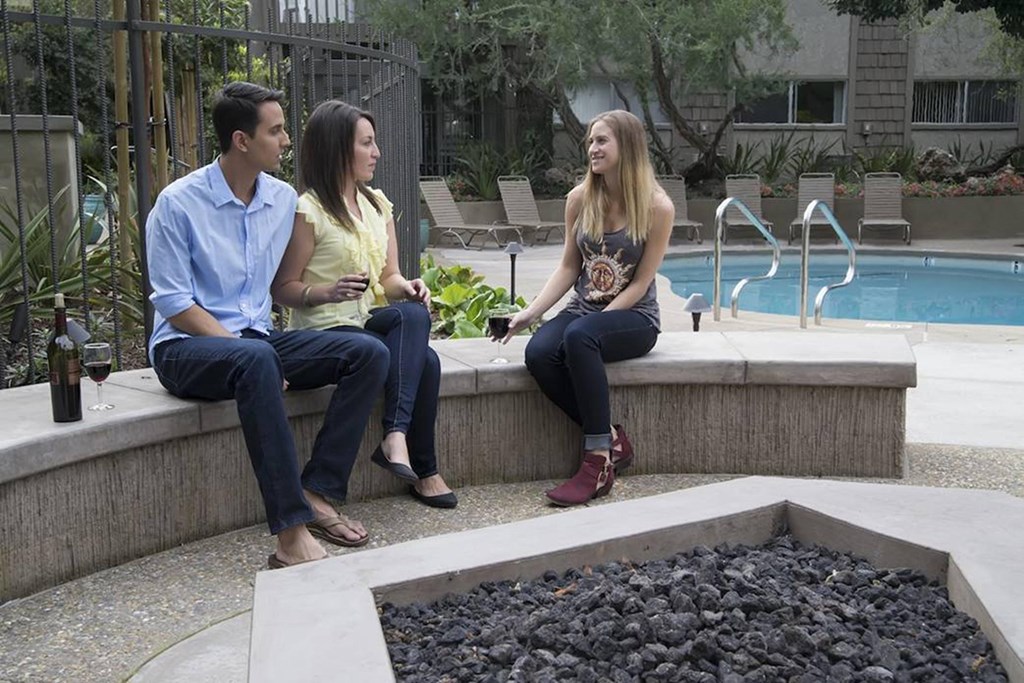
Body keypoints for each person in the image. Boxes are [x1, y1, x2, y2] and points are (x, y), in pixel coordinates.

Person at [146, 82, 390, 570]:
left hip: (257, 343)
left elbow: (290, 279)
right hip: (184, 348)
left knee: (368, 352)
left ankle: (318, 488)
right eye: (276, 131)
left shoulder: (280, 200)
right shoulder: (178, 204)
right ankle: (290, 534)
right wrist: (243, 349)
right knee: (256, 356)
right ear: (241, 140)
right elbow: (174, 304)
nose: (285, 141)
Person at [271, 99, 457, 509]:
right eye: (367, 143)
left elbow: (387, 278)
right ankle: (421, 468)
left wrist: (408, 286)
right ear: (338, 148)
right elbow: (283, 288)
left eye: (375, 143)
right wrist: (327, 291)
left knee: (412, 313)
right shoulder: (309, 210)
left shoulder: (377, 204)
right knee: (425, 362)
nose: (377, 153)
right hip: (324, 332)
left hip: (365, 324)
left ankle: (396, 438)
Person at [496, 110, 673, 507]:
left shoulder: (657, 207)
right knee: (539, 353)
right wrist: (529, 313)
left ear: (627, 146)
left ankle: (597, 464)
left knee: (580, 337)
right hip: (583, 311)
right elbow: (569, 267)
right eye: (591, 141)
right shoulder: (579, 199)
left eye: (602, 141)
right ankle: (612, 438)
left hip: (634, 318)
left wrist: (599, 322)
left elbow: (642, 281)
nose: (593, 149)